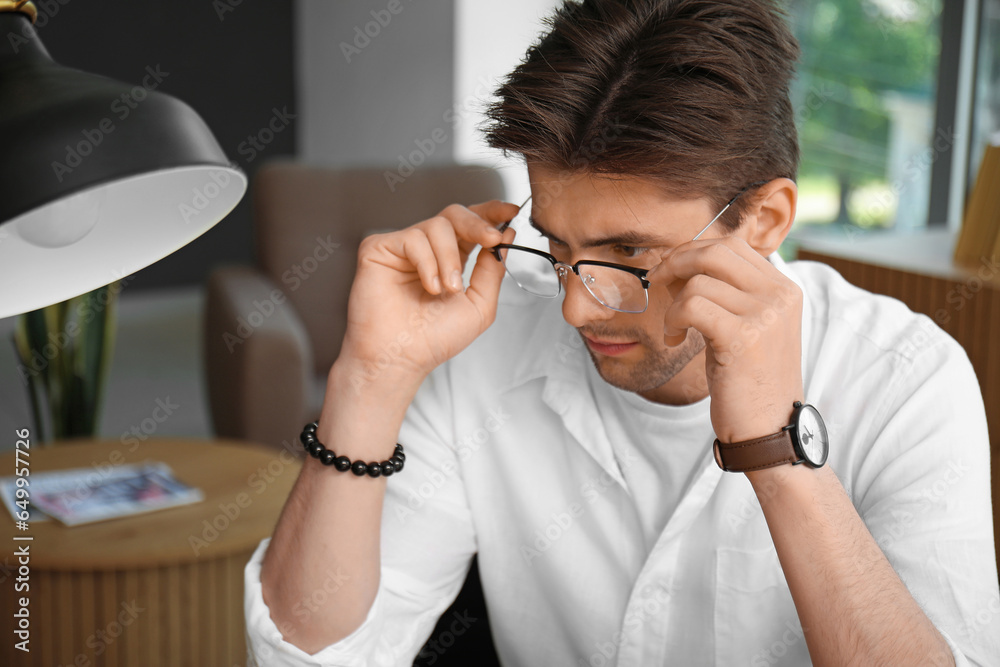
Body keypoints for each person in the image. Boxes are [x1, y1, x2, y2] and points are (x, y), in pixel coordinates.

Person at [245, 1, 1000, 665]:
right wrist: (369, 377)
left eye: (630, 253)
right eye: (560, 247)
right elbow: (312, 655)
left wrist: (775, 446)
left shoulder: (909, 379)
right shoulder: (481, 341)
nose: (576, 308)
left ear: (764, 221)